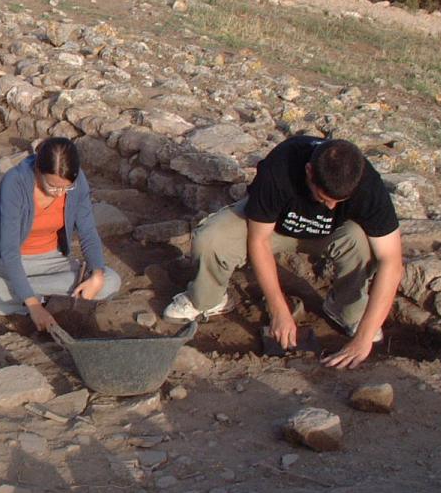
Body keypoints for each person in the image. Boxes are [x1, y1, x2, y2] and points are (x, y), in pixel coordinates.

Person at [163, 136, 403, 369]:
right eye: (324, 197)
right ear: (309, 172)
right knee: (211, 239)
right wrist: (279, 310)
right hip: (274, 228)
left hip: (332, 234)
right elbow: (259, 241)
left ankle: (346, 309)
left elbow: (391, 262)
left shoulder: (367, 182)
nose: (330, 206)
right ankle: (209, 299)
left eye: (338, 201)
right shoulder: (281, 166)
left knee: (363, 243)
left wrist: (364, 337)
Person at [0, 138, 121, 333]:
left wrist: (97, 274)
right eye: (53, 186)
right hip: (10, 262)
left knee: (110, 280)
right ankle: (43, 300)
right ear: (38, 170)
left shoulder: (77, 182)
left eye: (65, 188)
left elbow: (88, 232)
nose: (60, 193)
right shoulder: (15, 182)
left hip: (53, 261)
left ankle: (30, 298)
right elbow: (9, 251)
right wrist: (33, 304)